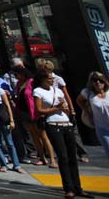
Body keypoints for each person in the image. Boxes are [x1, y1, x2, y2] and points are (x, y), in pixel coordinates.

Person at [33, 68, 91, 198]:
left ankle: (78, 187)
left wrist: (66, 110)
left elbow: (64, 105)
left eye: (53, 78)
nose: (52, 80)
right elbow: (39, 110)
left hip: (66, 123)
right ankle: (68, 188)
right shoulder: (38, 91)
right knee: (63, 157)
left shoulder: (58, 90)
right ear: (42, 79)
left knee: (72, 157)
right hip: (53, 124)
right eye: (49, 78)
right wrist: (56, 108)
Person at [38, 59, 90, 164]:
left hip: (63, 108)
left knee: (73, 131)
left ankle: (82, 153)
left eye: (44, 69)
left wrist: (71, 109)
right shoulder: (40, 80)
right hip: (50, 109)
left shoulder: (58, 79)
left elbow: (66, 94)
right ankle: (58, 154)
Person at [14, 65, 55, 167]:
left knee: (43, 136)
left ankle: (52, 159)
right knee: (34, 137)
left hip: (34, 112)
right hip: (24, 113)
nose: (16, 76)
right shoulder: (19, 84)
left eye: (17, 74)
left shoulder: (32, 82)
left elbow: (36, 96)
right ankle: (42, 158)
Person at [77, 72, 109, 160]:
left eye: (100, 80)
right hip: (102, 129)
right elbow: (79, 100)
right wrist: (87, 112)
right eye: (95, 80)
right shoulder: (87, 93)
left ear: (104, 81)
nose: (98, 82)